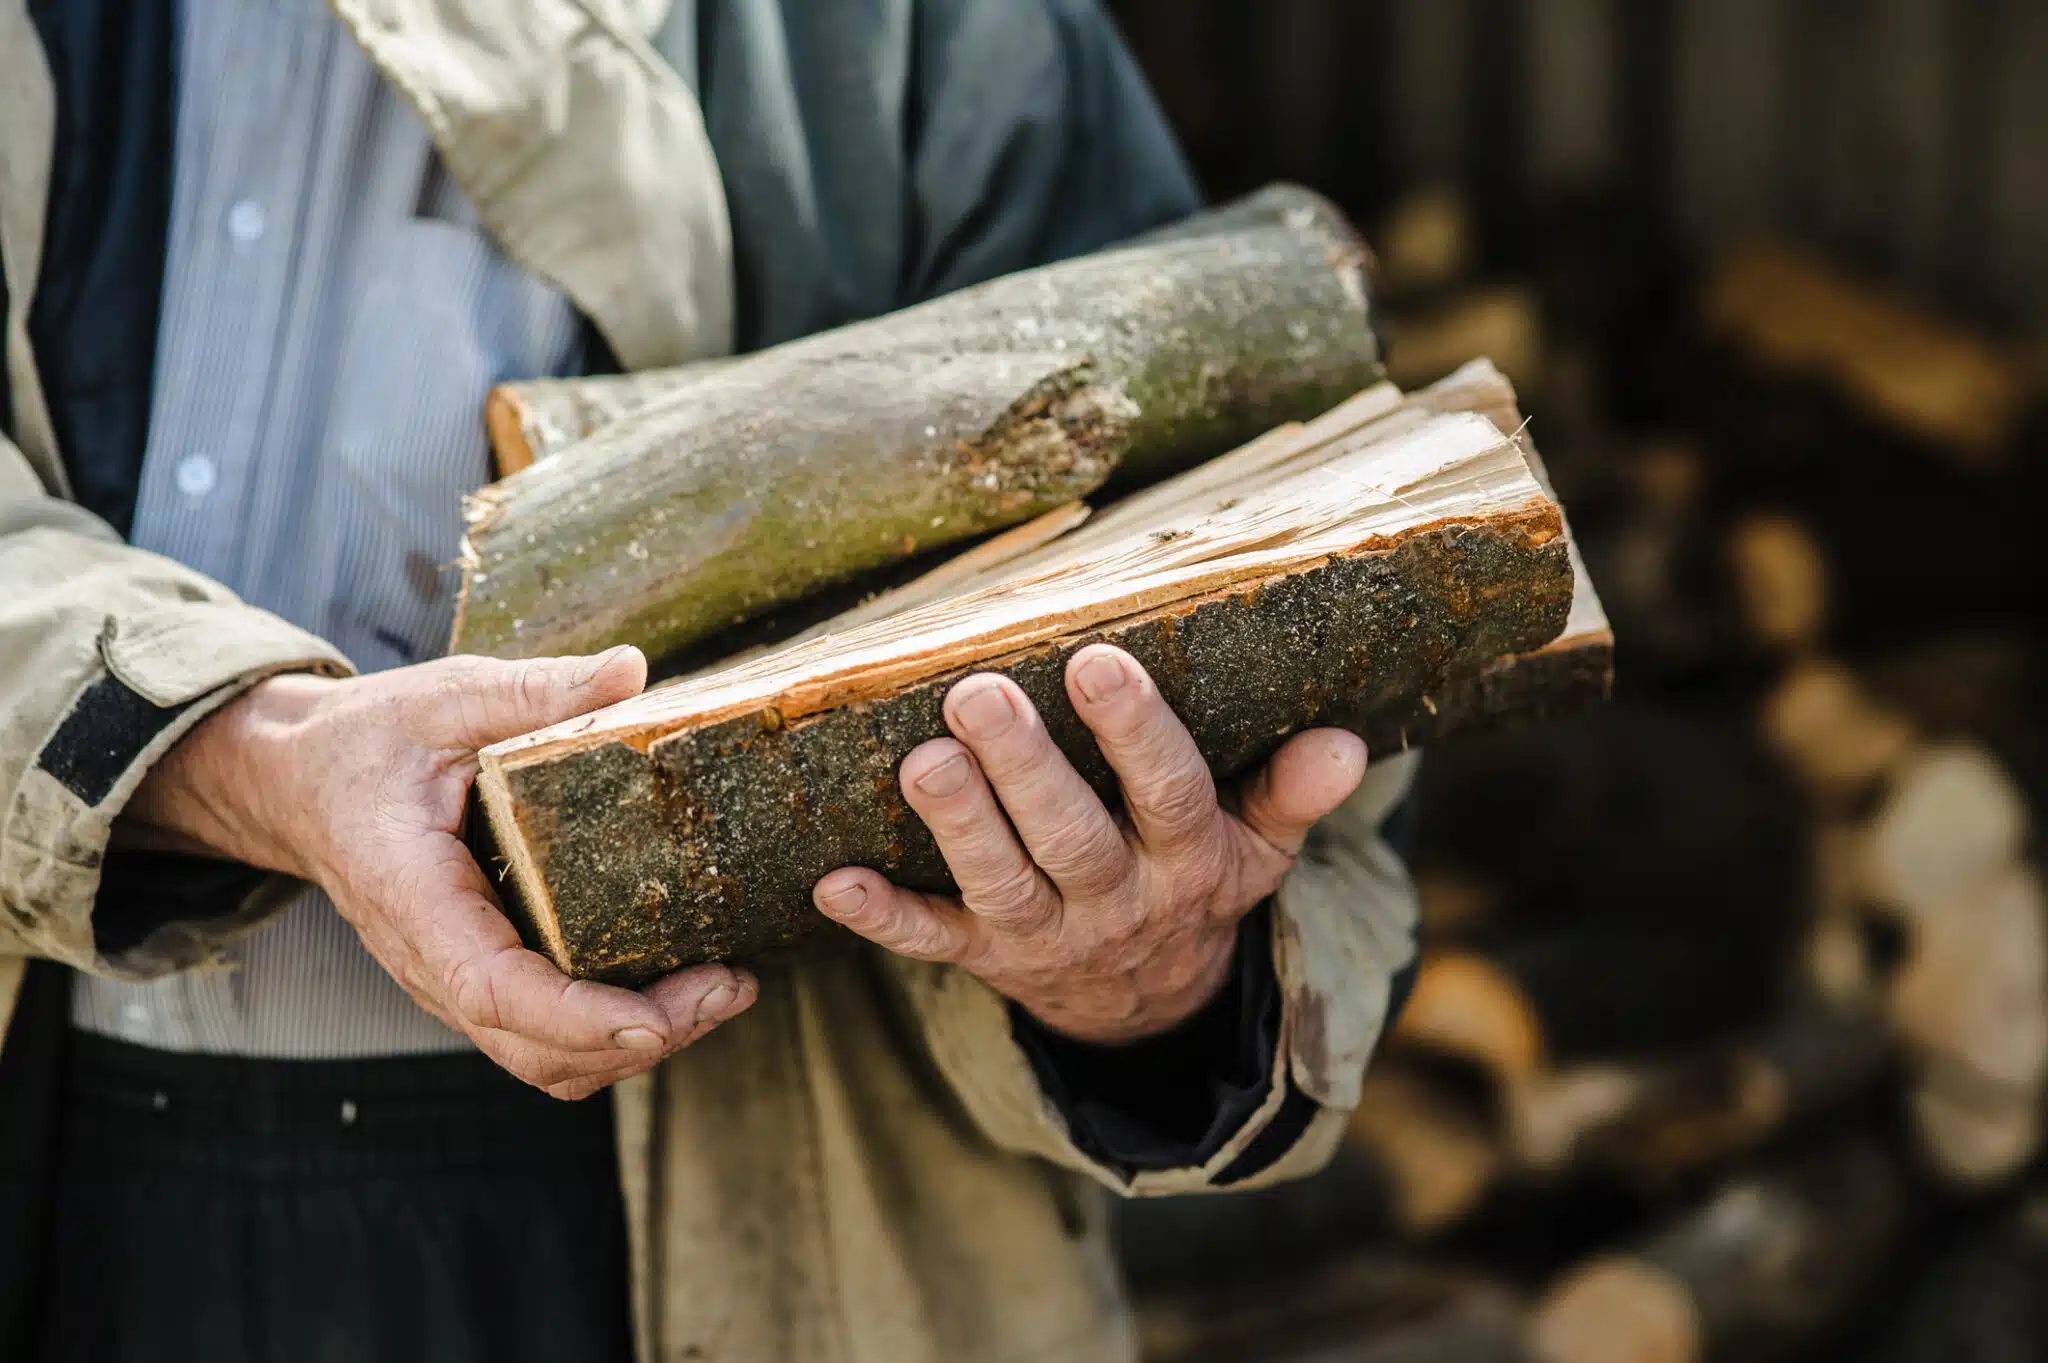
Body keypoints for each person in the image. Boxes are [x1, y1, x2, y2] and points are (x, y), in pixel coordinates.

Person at [0, 2, 1421, 1360]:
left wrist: (1146, 976)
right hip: (76, 1181)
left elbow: (1241, 657)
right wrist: (239, 754)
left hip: (775, 1215)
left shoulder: (935, 36)